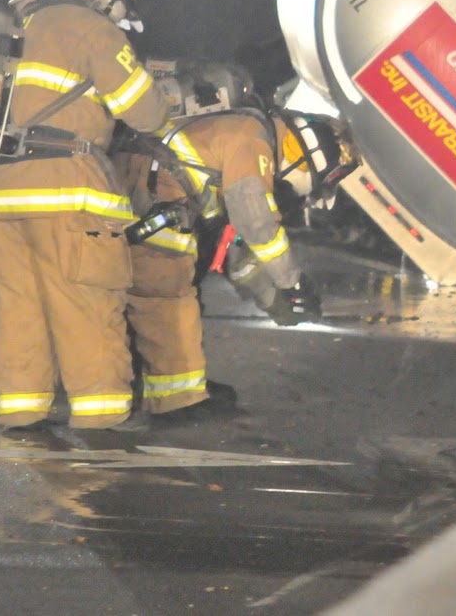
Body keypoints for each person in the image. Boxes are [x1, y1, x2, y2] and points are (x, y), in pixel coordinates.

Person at [0, 0, 171, 432]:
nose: (120, 15)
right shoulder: (90, 26)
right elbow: (147, 114)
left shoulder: (10, 17)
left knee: (18, 307)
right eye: (123, 6)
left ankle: (22, 410)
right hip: (66, 192)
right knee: (88, 303)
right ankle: (102, 420)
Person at [114, 86, 355, 422]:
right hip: (155, 196)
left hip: (153, 193)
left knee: (174, 290)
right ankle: (176, 400)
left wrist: (277, 303)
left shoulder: (249, 135)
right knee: (165, 293)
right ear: (305, 156)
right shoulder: (253, 140)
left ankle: (165, 387)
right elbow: (257, 225)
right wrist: (292, 282)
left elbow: (236, 252)